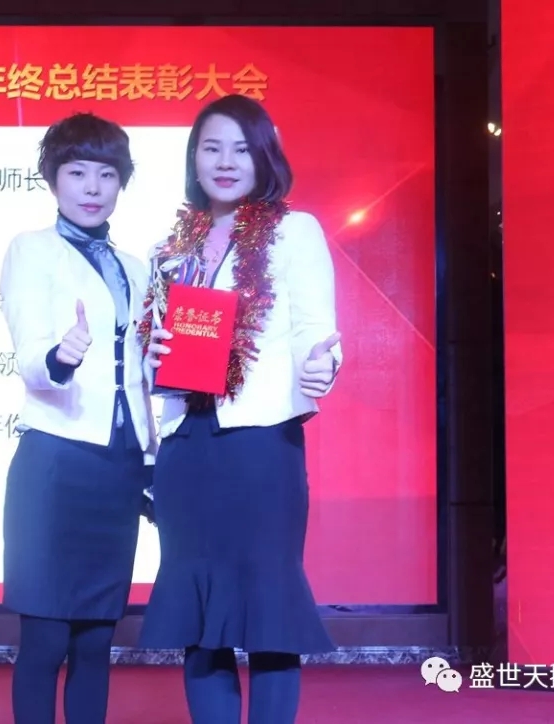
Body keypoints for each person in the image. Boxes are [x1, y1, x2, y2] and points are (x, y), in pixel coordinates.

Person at [137, 95, 343, 724]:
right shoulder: (170, 248)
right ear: (194, 159)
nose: (225, 162)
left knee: (269, 610)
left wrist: (323, 367)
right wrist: (152, 351)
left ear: (264, 157)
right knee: (200, 617)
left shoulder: (294, 231)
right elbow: (150, 352)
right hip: (186, 447)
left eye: (241, 148)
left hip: (260, 445)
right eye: (211, 148)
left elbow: (317, 332)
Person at [0, 113, 157, 724]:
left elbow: (144, 374)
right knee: (45, 641)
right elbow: (29, 355)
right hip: (56, 464)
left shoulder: (138, 267)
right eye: (77, 172)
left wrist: (153, 458)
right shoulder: (30, 249)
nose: (92, 187)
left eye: (106, 175)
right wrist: (60, 357)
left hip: (119, 469)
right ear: (53, 178)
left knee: (96, 644)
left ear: (122, 183)